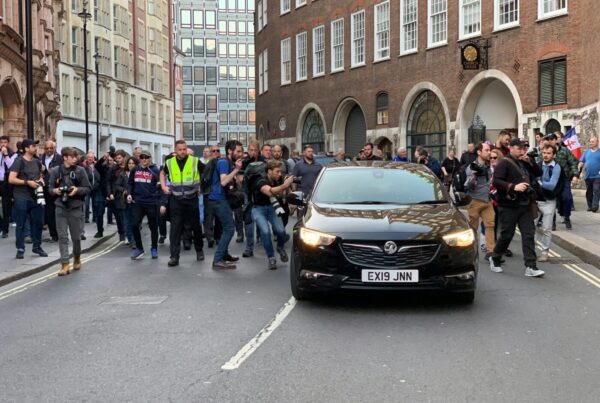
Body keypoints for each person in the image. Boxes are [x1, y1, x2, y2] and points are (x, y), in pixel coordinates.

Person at [490, 138, 544, 277]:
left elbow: (538, 173)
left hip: (525, 203)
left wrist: (530, 162)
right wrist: (513, 187)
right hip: (508, 205)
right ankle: (495, 257)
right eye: (519, 148)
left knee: (528, 234)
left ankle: (531, 266)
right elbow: (496, 181)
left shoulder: (525, 162)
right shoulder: (504, 162)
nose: (522, 151)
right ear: (511, 148)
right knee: (507, 234)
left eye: (524, 148)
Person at [160, 140, 205, 267]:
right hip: (176, 200)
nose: (182, 152)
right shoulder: (169, 162)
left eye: (184, 149)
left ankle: (199, 250)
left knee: (196, 227)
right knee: (175, 229)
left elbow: (206, 172)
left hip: (191, 198)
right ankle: (174, 257)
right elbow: (162, 173)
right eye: (180, 149)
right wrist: (163, 186)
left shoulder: (194, 161)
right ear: (176, 150)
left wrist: (203, 187)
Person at [49, 147, 91, 276]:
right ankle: (65, 264)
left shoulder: (80, 170)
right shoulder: (56, 171)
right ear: (65, 157)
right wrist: (55, 191)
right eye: (72, 157)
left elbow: (88, 188)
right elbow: (49, 188)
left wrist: (76, 190)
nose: (75, 159)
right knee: (62, 237)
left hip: (75, 208)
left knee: (76, 238)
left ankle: (77, 257)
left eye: (76, 156)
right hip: (60, 207)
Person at [250, 160, 294, 270]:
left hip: (272, 207)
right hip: (258, 209)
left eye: (281, 172)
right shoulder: (260, 180)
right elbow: (269, 192)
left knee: (281, 231)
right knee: (265, 232)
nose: (280, 174)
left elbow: (281, 193)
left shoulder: (277, 179)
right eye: (277, 171)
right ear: (269, 171)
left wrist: (287, 192)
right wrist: (285, 185)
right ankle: (271, 258)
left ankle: (280, 247)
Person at [206, 140, 243, 269]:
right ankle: (217, 259)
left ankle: (225, 255)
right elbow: (223, 182)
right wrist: (237, 170)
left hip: (221, 199)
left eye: (241, 151)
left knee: (224, 228)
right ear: (229, 151)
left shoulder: (228, 163)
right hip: (218, 200)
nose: (240, 154)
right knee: (229, 228)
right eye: (238, 151)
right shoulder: (223, 162)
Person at [8, 139, 47, 259]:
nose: (35, 148)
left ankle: (37, 246)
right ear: (26, 149)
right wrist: (27, 182)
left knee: (39, 223)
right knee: (21, 224)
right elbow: (11, 179)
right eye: (32, 146)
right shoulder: (18, 161)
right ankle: (20, 248)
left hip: (35, 197)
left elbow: (40, 174)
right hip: (21, 197)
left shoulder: (37, 161)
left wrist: (40, 180)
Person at [128, 150, 161, 260]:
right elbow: (130, 183)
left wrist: (159, 197)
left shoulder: (155, 170)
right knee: (134, 224)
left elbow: (161, 184)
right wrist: (129, 194)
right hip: (138, 202)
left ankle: (154, 248)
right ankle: (139, 248)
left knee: (153, 227)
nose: (144, 159)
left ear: (150, 158)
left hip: (152, 202)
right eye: (142, 157)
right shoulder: (134, 169)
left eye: (146, 157)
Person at [465, 142, 495, 261]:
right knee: (473, 228)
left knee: (490, 224)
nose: (489, 152)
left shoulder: (488, 165)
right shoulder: (471, 167)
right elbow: (468, 185)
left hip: (487, 200)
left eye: (489, 150)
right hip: (474, 201)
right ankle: (471, 251)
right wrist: (473, 178)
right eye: (487, 150)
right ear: (479, 152)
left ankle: (491, 251)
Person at [537, 144, 562, 262]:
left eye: (549, 153)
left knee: (546, 228)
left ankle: (544, 252)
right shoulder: (537, 165)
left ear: (554, 155)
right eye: (544, 153)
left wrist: (539, 182)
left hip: (549, 201)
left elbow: (552, 186)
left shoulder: (557, 167)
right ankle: (531, 250)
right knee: (530, 227)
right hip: (535, 199)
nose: (546, 155)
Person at [553, 131, 580, 229]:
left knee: (567, 198)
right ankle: (552, 222)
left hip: (564, 178)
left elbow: (573, 162)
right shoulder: (546, 151)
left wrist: (575, 175)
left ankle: (567, 216)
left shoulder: (564, 150)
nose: (555, 140)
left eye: (557, 137)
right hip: (552, 179)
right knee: (552, 201)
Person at [40, 141, 62, 242]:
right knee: (48, 212)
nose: (49, 150)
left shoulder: (59, 158)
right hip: (45, 188)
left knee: (57, 212)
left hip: (56, 188)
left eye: (51, 148)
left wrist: (57, 175)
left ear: (54, 148)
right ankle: (53, 235)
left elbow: (63, 171)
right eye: (47, 148)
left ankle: (60, 234)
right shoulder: (41, 158)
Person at [106, 150, 129, 242]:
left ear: (124, 157)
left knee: (127, 216)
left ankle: (128, 233)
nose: (117, 160)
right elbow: (108, 182)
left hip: (128, 194)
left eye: (119, 158)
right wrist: (110, 193)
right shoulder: (113, 168)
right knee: (119, 217)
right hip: (117, 196)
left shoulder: (129, 167)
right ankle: (122, 233)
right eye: (116, 158)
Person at [0, 135, 17, 238]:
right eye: (1, 142)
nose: (3, 144)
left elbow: (11, 166)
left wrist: (5, 154)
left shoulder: (13, 154)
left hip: (6, 183)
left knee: (6, 206)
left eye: (5, 142)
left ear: (8, 143)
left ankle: (5, 230)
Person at [579, 136, 600, 212]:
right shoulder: (586, 152)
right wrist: (579, 168)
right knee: (589, 192)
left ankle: (595, 206)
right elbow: (581, 161)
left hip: (598, 176)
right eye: (590, 141)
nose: (590, 143)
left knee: (596, 190)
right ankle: (590, 206)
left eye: (592, 142)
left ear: (597, 142)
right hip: (588, 176)